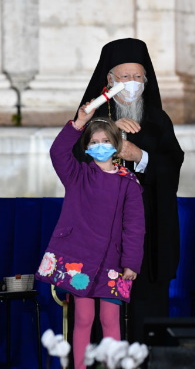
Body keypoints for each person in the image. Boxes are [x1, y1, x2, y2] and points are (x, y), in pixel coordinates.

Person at [75, 38, 184, 342]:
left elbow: (173, 167)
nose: (132, 84)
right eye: (124, 77)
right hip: (103, 235)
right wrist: (111, 133)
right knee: (100, 318)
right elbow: (75, 164)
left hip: (148, 235)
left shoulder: (158, 120)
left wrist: (141, 157)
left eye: (138, 77)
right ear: (108, 81)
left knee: (144, 314)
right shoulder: (92, 121)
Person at [35, 105, 145, 369]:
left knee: (110, 319)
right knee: (83, 318)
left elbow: (134, 226)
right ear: (86, 147)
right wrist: (76, 124)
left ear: (116, 145)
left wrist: (131, 262)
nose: (100, 145)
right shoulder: (77, 175)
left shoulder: (128, 182)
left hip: (113, 263)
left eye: (106, 141)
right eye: (94, 142)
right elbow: (57, 152)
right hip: (79, 260)